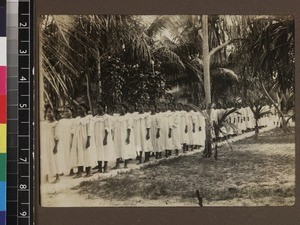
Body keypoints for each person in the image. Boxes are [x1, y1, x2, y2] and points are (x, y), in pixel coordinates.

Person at [70, 104, 94, 178]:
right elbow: (73, 131)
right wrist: (73, 141)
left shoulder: (89, 118)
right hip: (77, 139)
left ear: (85, 109)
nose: (79, 110)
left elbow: (90, 130)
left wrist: (88, 140)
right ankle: (79, 172)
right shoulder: (76, 119)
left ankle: (88, 171)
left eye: (81, 108)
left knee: (87, 154)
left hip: (85, 138)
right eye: (78, 109)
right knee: (79, 154)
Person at [53, 106, 75, 177]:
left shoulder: (74, 121)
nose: (65, 112)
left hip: (69, 138)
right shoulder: (61, 121)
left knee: (69, 153)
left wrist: (73, 141)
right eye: (65, 111)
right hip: (62, 139)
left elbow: (73, 131)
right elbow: (58, 130)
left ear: (71, 112)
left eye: (68, 111)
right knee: (61, 154)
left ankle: (71, 170)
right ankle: (61, 170)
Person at [40, 106, 59, 183]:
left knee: (56, 158)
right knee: (46, 159)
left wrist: (56, 146)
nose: (48, 113)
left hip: (53, 143)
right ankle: (46, 177)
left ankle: (58, 177)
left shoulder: (56, 123)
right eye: (47, 112)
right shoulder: (45, 123)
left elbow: (57, 135)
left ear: (54, 113)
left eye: (50, 112)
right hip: (46, 143)